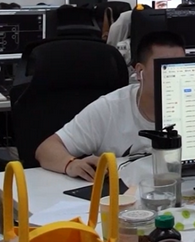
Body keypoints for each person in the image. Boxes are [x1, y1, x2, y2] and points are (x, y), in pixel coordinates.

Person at [35, 31, 186, 181]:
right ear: (140, 72)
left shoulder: (194, 105)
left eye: (182, 67)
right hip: (121, 191)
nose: (176, 76)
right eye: (166, 68)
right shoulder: (111, 108)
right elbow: (46, 149)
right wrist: (71, 164)